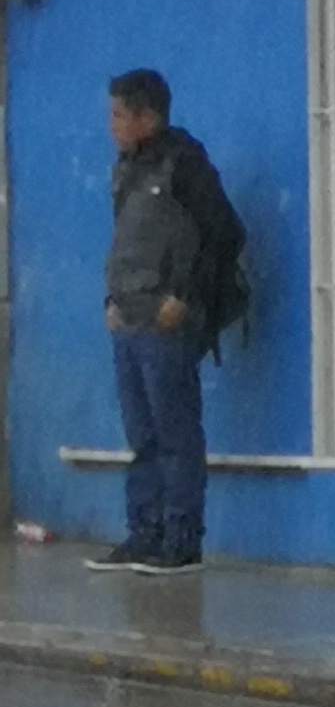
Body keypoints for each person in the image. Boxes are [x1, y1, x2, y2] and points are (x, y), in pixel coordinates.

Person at [96, 69, 231, 574]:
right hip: (128, 319)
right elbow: (126, 243)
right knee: (141, 435)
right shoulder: (127, 169)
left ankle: (181, 540)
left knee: (175, 434)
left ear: (147, 118)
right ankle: (144, 533)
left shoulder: (185, 164)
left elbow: (217, 235)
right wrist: (111, 300)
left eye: (118, 114)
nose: (111, 125)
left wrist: (184, 297)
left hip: (167, 321)